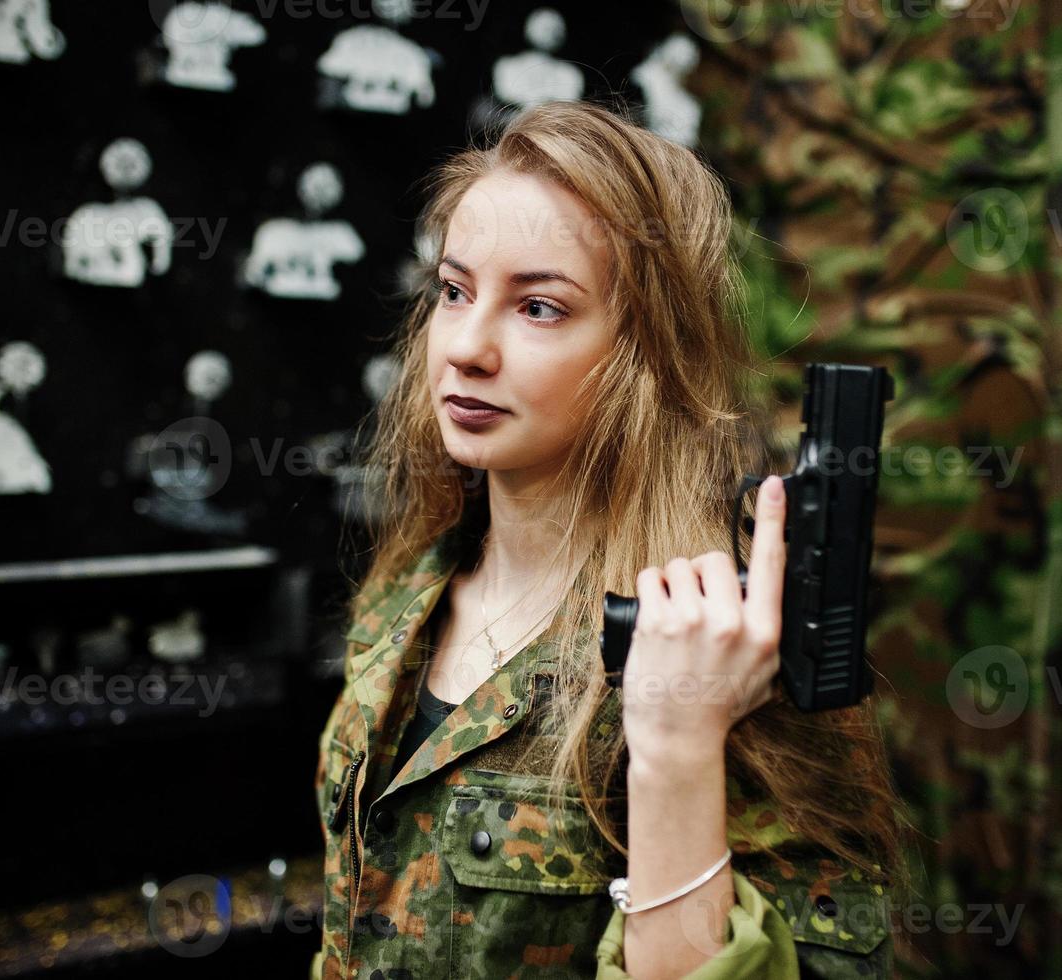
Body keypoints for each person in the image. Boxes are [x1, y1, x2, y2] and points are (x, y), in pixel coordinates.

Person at [312, 100, 910, 980]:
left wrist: (674, 749)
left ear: (646, 351)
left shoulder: (729, 647)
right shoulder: (413, 586)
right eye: (453, 290)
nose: (466, 347)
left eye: (540, 308)